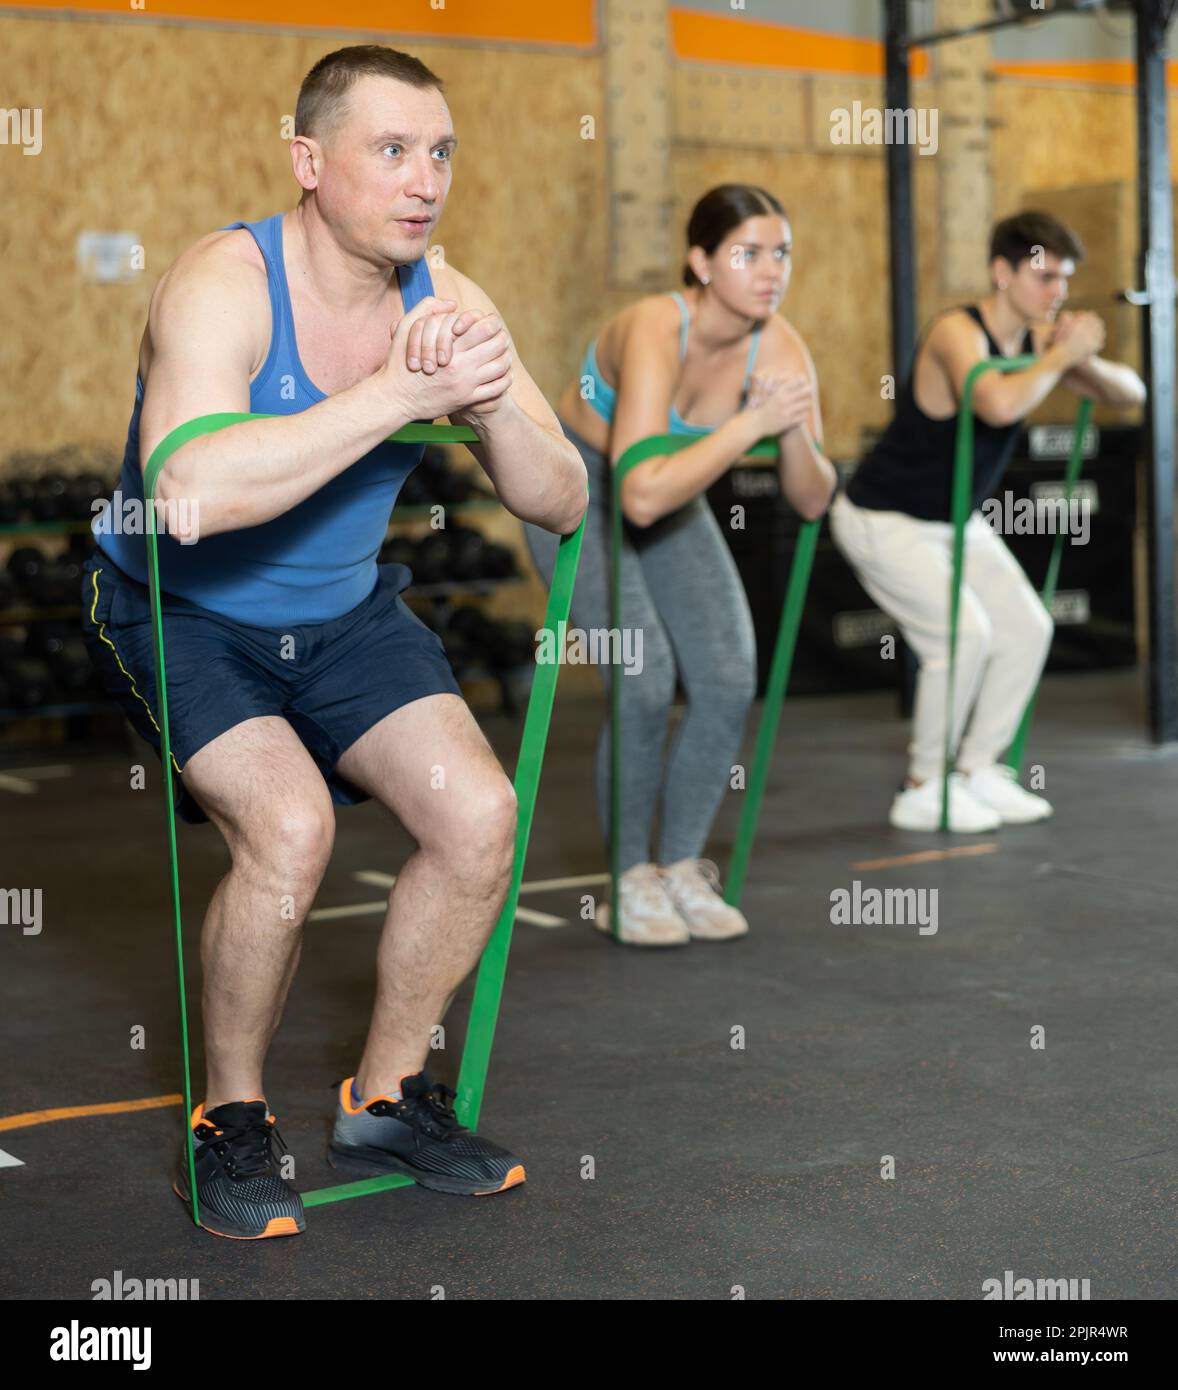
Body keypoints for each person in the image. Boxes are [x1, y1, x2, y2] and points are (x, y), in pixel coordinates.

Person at [79, 44, 587, 1239]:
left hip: (346, 614)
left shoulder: (448, 303)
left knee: (479, 819)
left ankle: (387, 1095)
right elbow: (189, 495)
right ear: (309, 161)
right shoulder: (224, 283)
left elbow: (560, 499)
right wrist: (395, 400)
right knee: (290, 829)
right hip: (181, 609)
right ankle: (233, 1120)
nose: (425, 180)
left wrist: (491, 397)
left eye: (441, 152)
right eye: (392, 149)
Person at [524, 185, 836, 947]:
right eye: (749, 253)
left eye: (782, 253)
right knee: (643, 678)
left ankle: (682, 865)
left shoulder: (780, 346)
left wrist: (788, 429)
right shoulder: (655, 326)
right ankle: (629, 879)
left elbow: (812, 498)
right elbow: (634, 495)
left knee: (728, 675)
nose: (772, 272)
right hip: (579, 491)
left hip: (672, 489)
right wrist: (751, 424)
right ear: (700, 261)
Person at [829, 210, 1145, 833]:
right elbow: (996, 405)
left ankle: (974, 770)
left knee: (1027, 627)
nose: (1055, 292)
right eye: (1043, 276)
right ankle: (922, 785)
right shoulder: (957, 331)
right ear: (1002, 273)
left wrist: (1080, 355)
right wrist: (1062, 358)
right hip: (882, 515)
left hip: (953, 519)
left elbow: (1128, 391)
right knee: (962, 636)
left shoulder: (1036, 344)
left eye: (1063, 279)